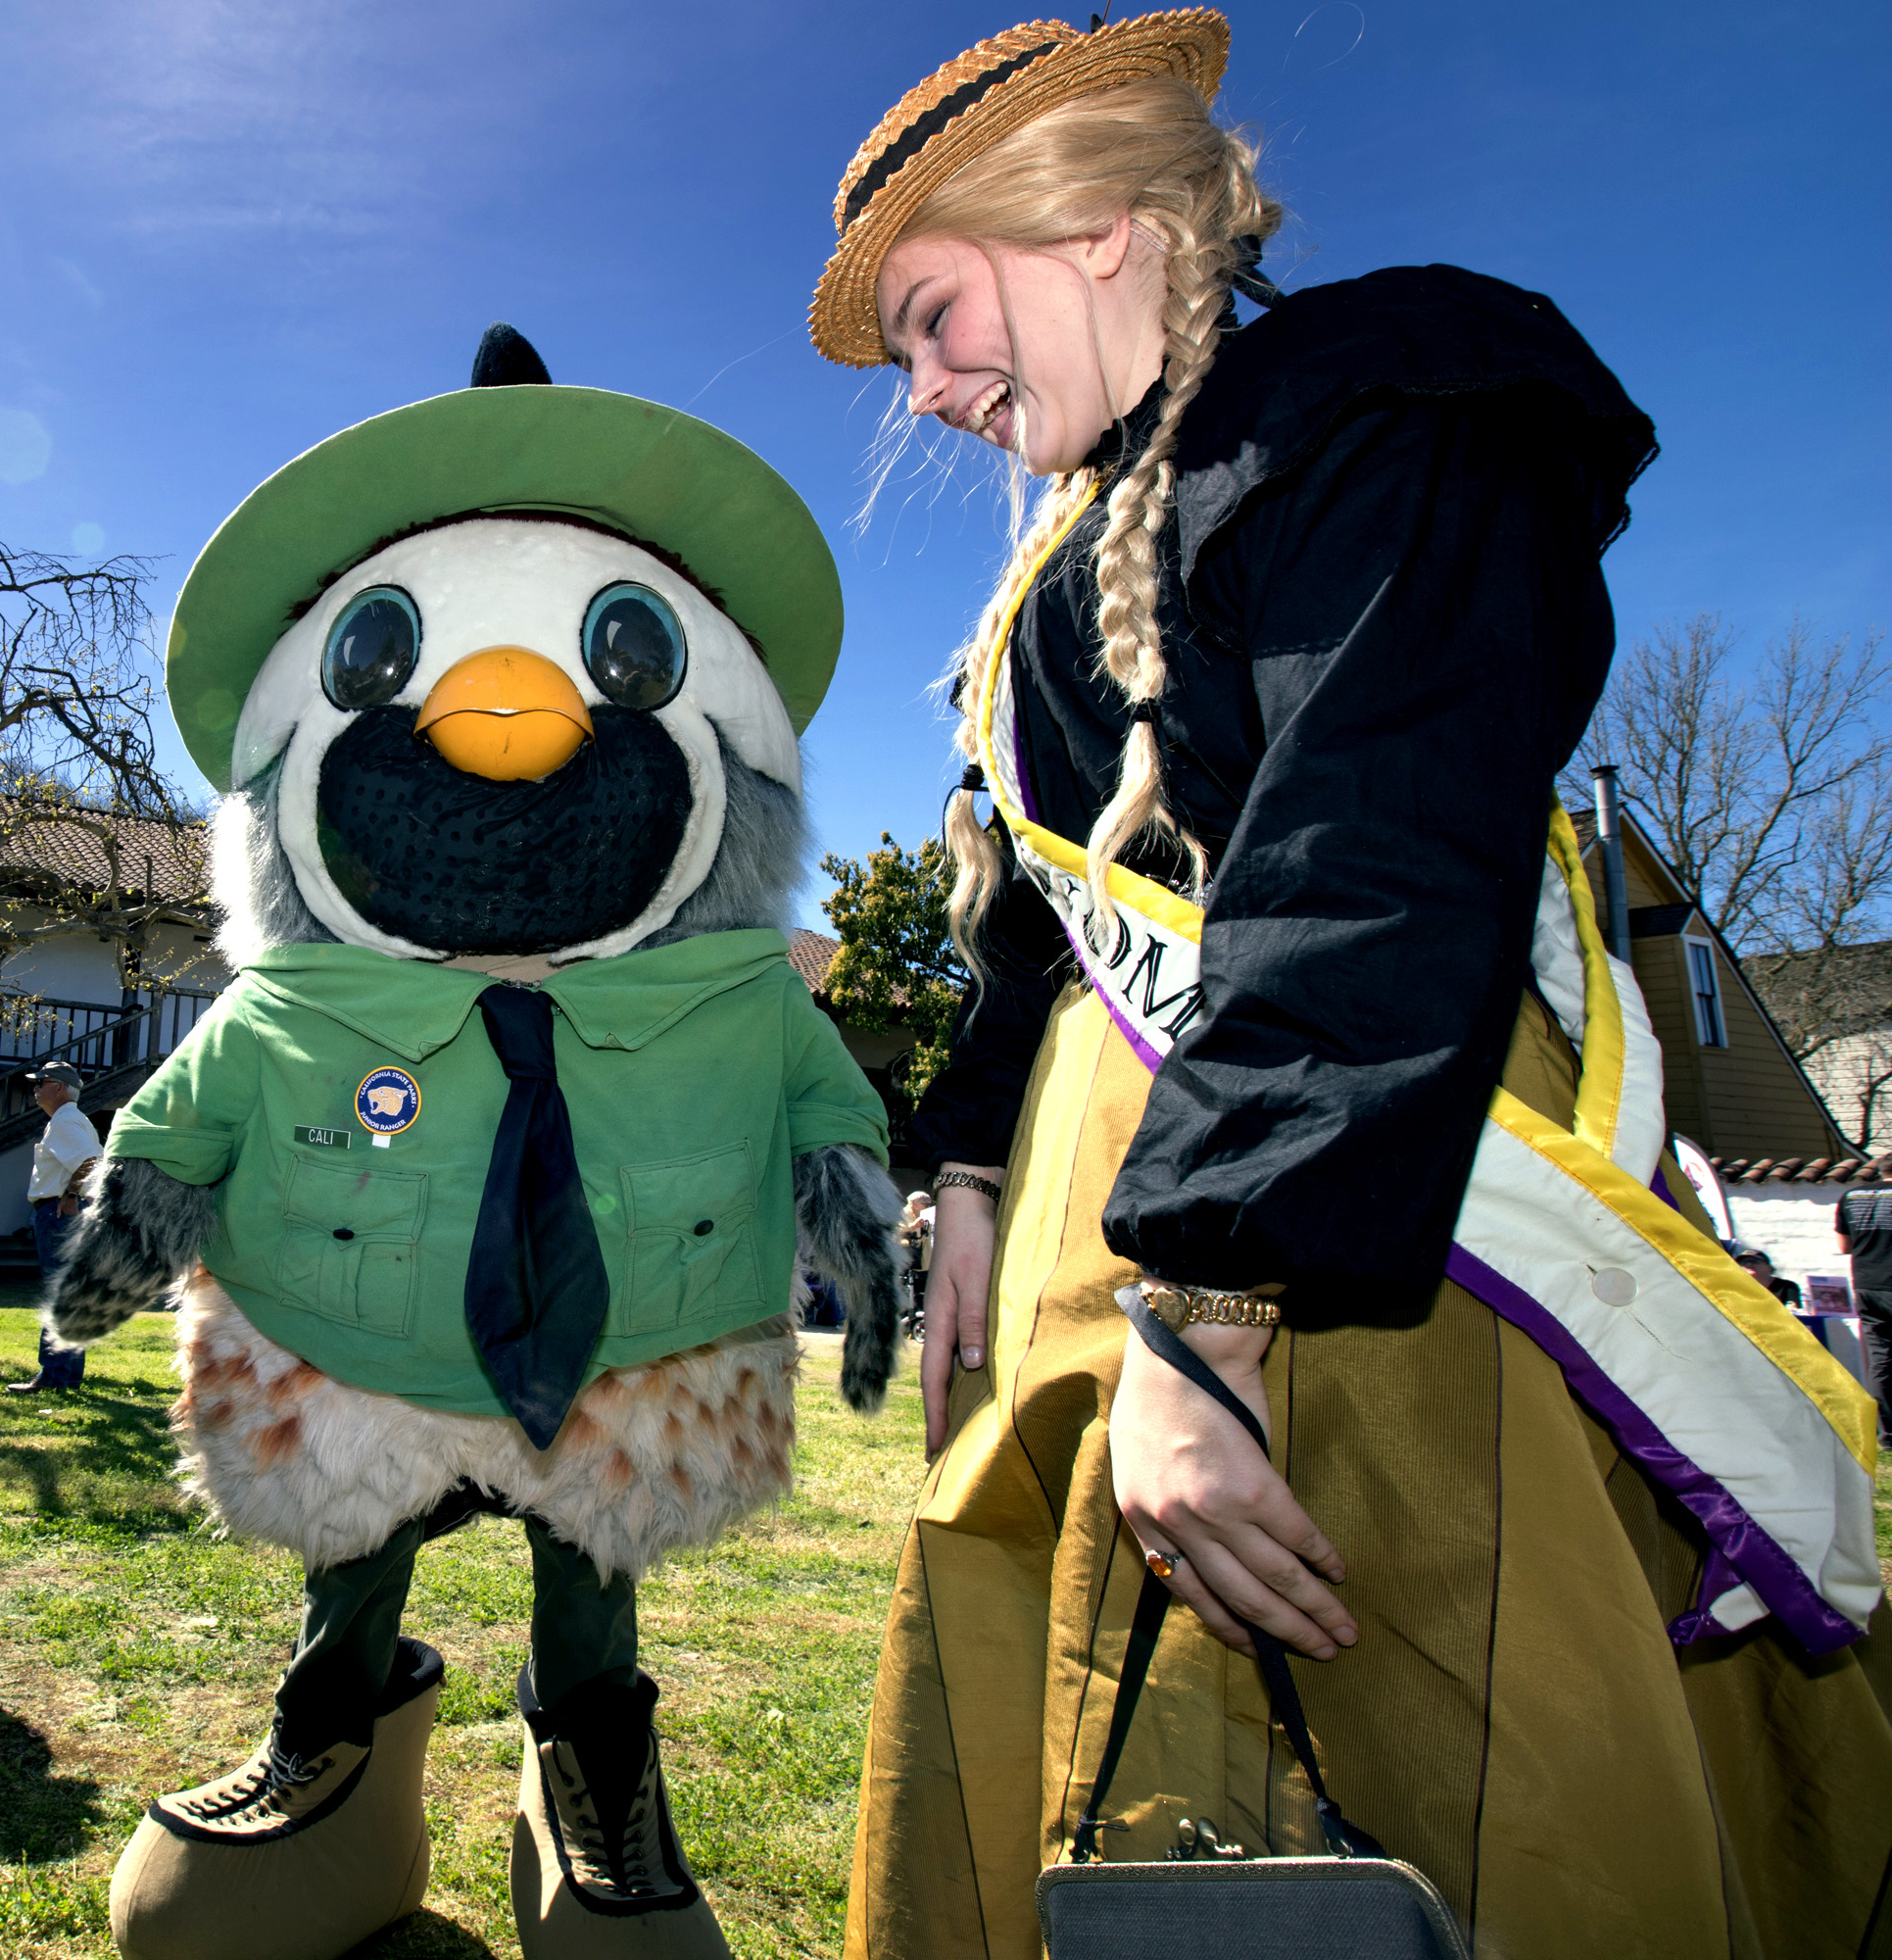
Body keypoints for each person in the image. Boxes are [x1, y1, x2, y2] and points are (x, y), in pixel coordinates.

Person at [807, 17, 1891, 1956]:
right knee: (1080, 1712)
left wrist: (1213, 1315)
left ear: (1094, 226)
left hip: (1367, 1210)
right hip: (1111, 1228)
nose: (931, 387)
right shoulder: (1062, 568)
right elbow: (1041, 922)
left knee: (1451, 1709)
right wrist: (967, 1167)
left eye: (936, 318)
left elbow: (1370, 849)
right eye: (910, 355)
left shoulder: (1384, 402)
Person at [6, 1059, 99, 1394]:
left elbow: (89, 1162)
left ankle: (53, 1377)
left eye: (41, 1082)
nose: (35, 1088)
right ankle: (67, 1376)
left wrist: (71, 1195)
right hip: (72, 1211)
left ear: (59, 1088)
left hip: (60, 1212)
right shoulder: (76, 1119)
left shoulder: (64, 1121)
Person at [1842, 1184, 1892, 1446]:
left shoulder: (1852, 1195)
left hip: (1866, 1285)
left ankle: (1888, 1434)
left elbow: (1844, 1245)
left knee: (1881, 1359)